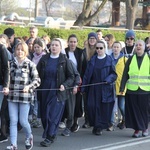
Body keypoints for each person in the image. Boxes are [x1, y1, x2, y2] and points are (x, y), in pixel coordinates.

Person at [37, 38, 75, 147]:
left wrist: (65, 85)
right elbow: (36, 74)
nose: (53, 47)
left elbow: (71, 76)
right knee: (44, 116)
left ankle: (49, 137)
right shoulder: (44, 59)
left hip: (58, 91)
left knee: (52, 115)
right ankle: (51, 134)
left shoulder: (64, 60)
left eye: (56, 45)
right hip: (44, 90)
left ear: (60, 47)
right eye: (52, 45)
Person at [5, 41, 41, 150]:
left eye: (22, 50)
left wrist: (29, 87)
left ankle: (29, 136)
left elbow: (37, 80)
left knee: (23, 121)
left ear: (25, 51)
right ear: (15, 51)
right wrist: (6, 87)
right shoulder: (10, 63)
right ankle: (13, 144)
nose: (19, 51)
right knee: (13, 120)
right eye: (17, 49)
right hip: (12, 97)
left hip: (25, 98)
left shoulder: (30, 64)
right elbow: (7, 79)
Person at [81, 40, 117, 135]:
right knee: (91, 106)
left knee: (101, 108)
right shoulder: (92, 60)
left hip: (105, 88)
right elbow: (86, 75)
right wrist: (83, 87)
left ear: (105, 48)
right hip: (93, 88)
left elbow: (114, 74)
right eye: (97, 48)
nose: (99, 50)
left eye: (101, 48)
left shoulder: (109, 59)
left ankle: (99, 127)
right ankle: (95, 124)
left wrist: (108, 80)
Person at [120, 40, 150, 138]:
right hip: (132, 90)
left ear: (144, 47)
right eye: (136, 45)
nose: (138, 47)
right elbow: (125, 74)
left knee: (144, 111)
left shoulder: (148, 58)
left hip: (145, 90)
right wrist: (122, 86)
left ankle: (145, 128)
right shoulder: (131, 59)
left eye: (140, 45)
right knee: (134, 112)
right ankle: (137, 130)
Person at [61, 34, 87, 135]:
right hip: (65, 82)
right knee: (65, 105)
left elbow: (84, 68)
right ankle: (64, 121)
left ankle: (73, 122)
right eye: (71, 42)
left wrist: (79, 83)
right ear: (68, 42)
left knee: (75, 104)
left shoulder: (81, 52)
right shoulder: (64, 52)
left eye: (74, 42)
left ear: (77, 43)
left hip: (77, 81)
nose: (72, 44)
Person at [108, 41, 127, 131]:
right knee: (112, 105)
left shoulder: (125, 59)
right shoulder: (108, 58)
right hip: (111, 86)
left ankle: (126, 119)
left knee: (121, 106)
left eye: (117, 47)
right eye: (114, 47)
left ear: (120, 48)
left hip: (121, 86)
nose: (115, 49)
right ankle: (111, 124)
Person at [82, 32, 98, 129]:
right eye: (90, 38)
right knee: (86, 102)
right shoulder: (84, 52)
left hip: (95, 81)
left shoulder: (98, 50)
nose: (92, 40)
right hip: (86, 80)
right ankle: (87, 120)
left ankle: (95, 120)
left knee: (95, 102)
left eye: (94, 38)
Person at [30, 38, 46, 128]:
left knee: (38, 101)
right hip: (33, 81)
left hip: (40, 82)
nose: (36, 49)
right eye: (35, 47)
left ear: (42, 47)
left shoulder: (44, 57)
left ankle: (38, 118)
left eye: (38, 47)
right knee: (33, 100)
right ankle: (34, 117)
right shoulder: (33, 56)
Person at [0, 39, 9, 143]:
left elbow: (6, 68)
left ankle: (3, 134)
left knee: (1, 110)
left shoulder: (1, 48)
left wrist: (6, 85)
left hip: (1, 84)